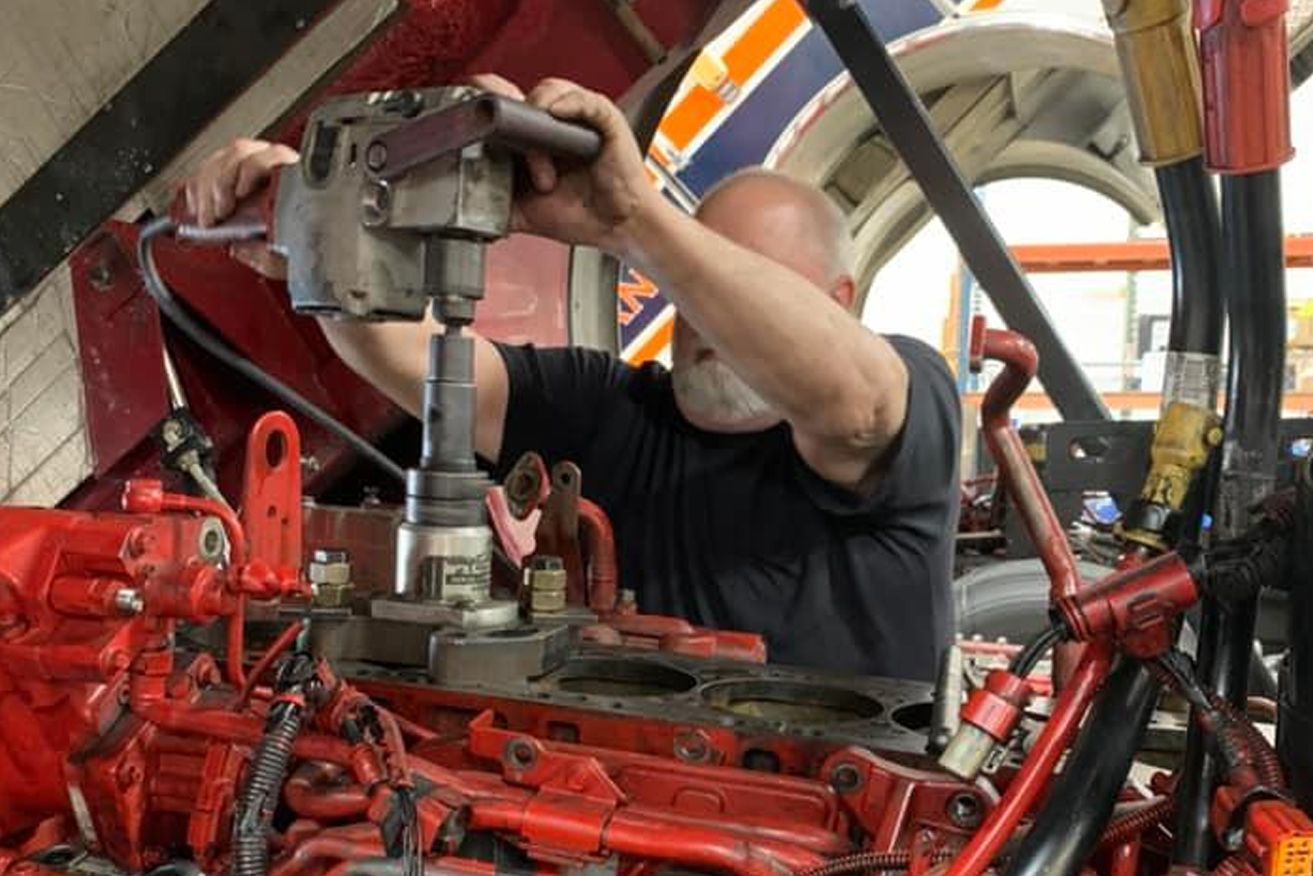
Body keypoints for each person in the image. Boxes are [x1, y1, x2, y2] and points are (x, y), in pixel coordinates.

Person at [184, 75, 961, 680]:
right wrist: (322, 223)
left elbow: (853, 408)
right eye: (689, 288)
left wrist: (637, 224)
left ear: (838, 303)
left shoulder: (909, 398)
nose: (705, 316)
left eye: (732, 279)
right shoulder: (614, 410)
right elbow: (408, 357)